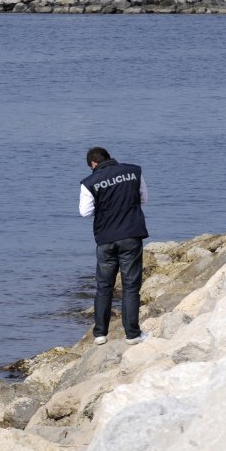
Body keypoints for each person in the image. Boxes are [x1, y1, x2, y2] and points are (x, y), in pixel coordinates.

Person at [79, 147, 148, 345]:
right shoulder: (134, 171)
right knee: (131, 286)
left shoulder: (89, 182)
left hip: (106, 238)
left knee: (104, 287)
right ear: (108, 158)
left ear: (93, 163)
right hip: (131, 235)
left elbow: (85, 212)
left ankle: (100, 334)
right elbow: (144, 198)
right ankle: (132, 334)